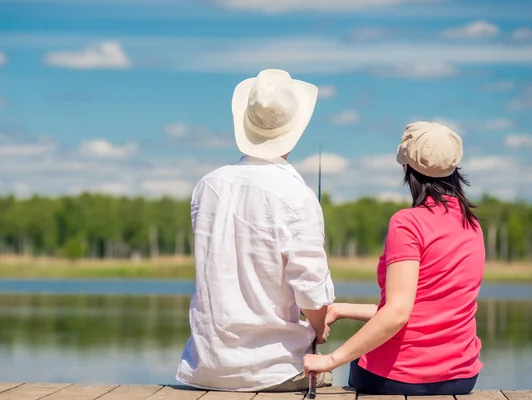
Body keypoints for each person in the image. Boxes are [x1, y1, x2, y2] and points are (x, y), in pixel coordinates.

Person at [176, 69, 336, 392]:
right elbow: (311, 294)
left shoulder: (207, 186)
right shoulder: (298, 196)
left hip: (203, 368)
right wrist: (319, 328)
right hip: (274, 371)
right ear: (295, 129)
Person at [303, 121, 485, 396]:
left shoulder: (407, 223)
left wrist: (328, 361)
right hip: (463, 377)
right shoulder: (471, 224)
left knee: (354, 364)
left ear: (406, 168)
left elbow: (398, 313)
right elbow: (420, 311)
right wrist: (340, 310)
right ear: (454, 169)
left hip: (399, 376)